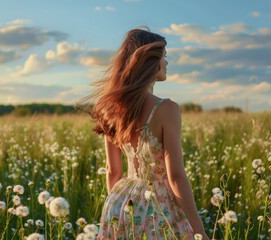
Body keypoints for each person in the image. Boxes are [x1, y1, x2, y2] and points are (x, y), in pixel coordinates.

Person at [86, 27, 209, 240]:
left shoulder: (112, 109)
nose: (167, 63)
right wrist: (200, 232)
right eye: (164, 57)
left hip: (121, 203)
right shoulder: (166, 109)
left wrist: (118, 210)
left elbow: (113, 171)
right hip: (159, 207)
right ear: (150, 61)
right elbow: (176, 177)